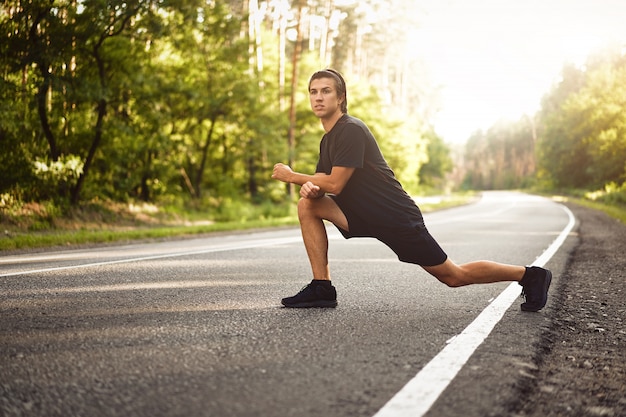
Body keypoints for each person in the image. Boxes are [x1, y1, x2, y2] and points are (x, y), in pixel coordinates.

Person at [271, 69, 552, 312]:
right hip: (360, 214)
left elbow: (335, 184)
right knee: (307, 205)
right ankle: (322, 287)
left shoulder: (351, 130)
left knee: (453, 276)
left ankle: (529, 275)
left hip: (394, 217)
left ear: (340, 97)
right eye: (313, 92)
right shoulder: (328, 139)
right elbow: (324, 180)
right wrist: (311, 189)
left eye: (326, 91)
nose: (318, 97)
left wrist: (292, 176)